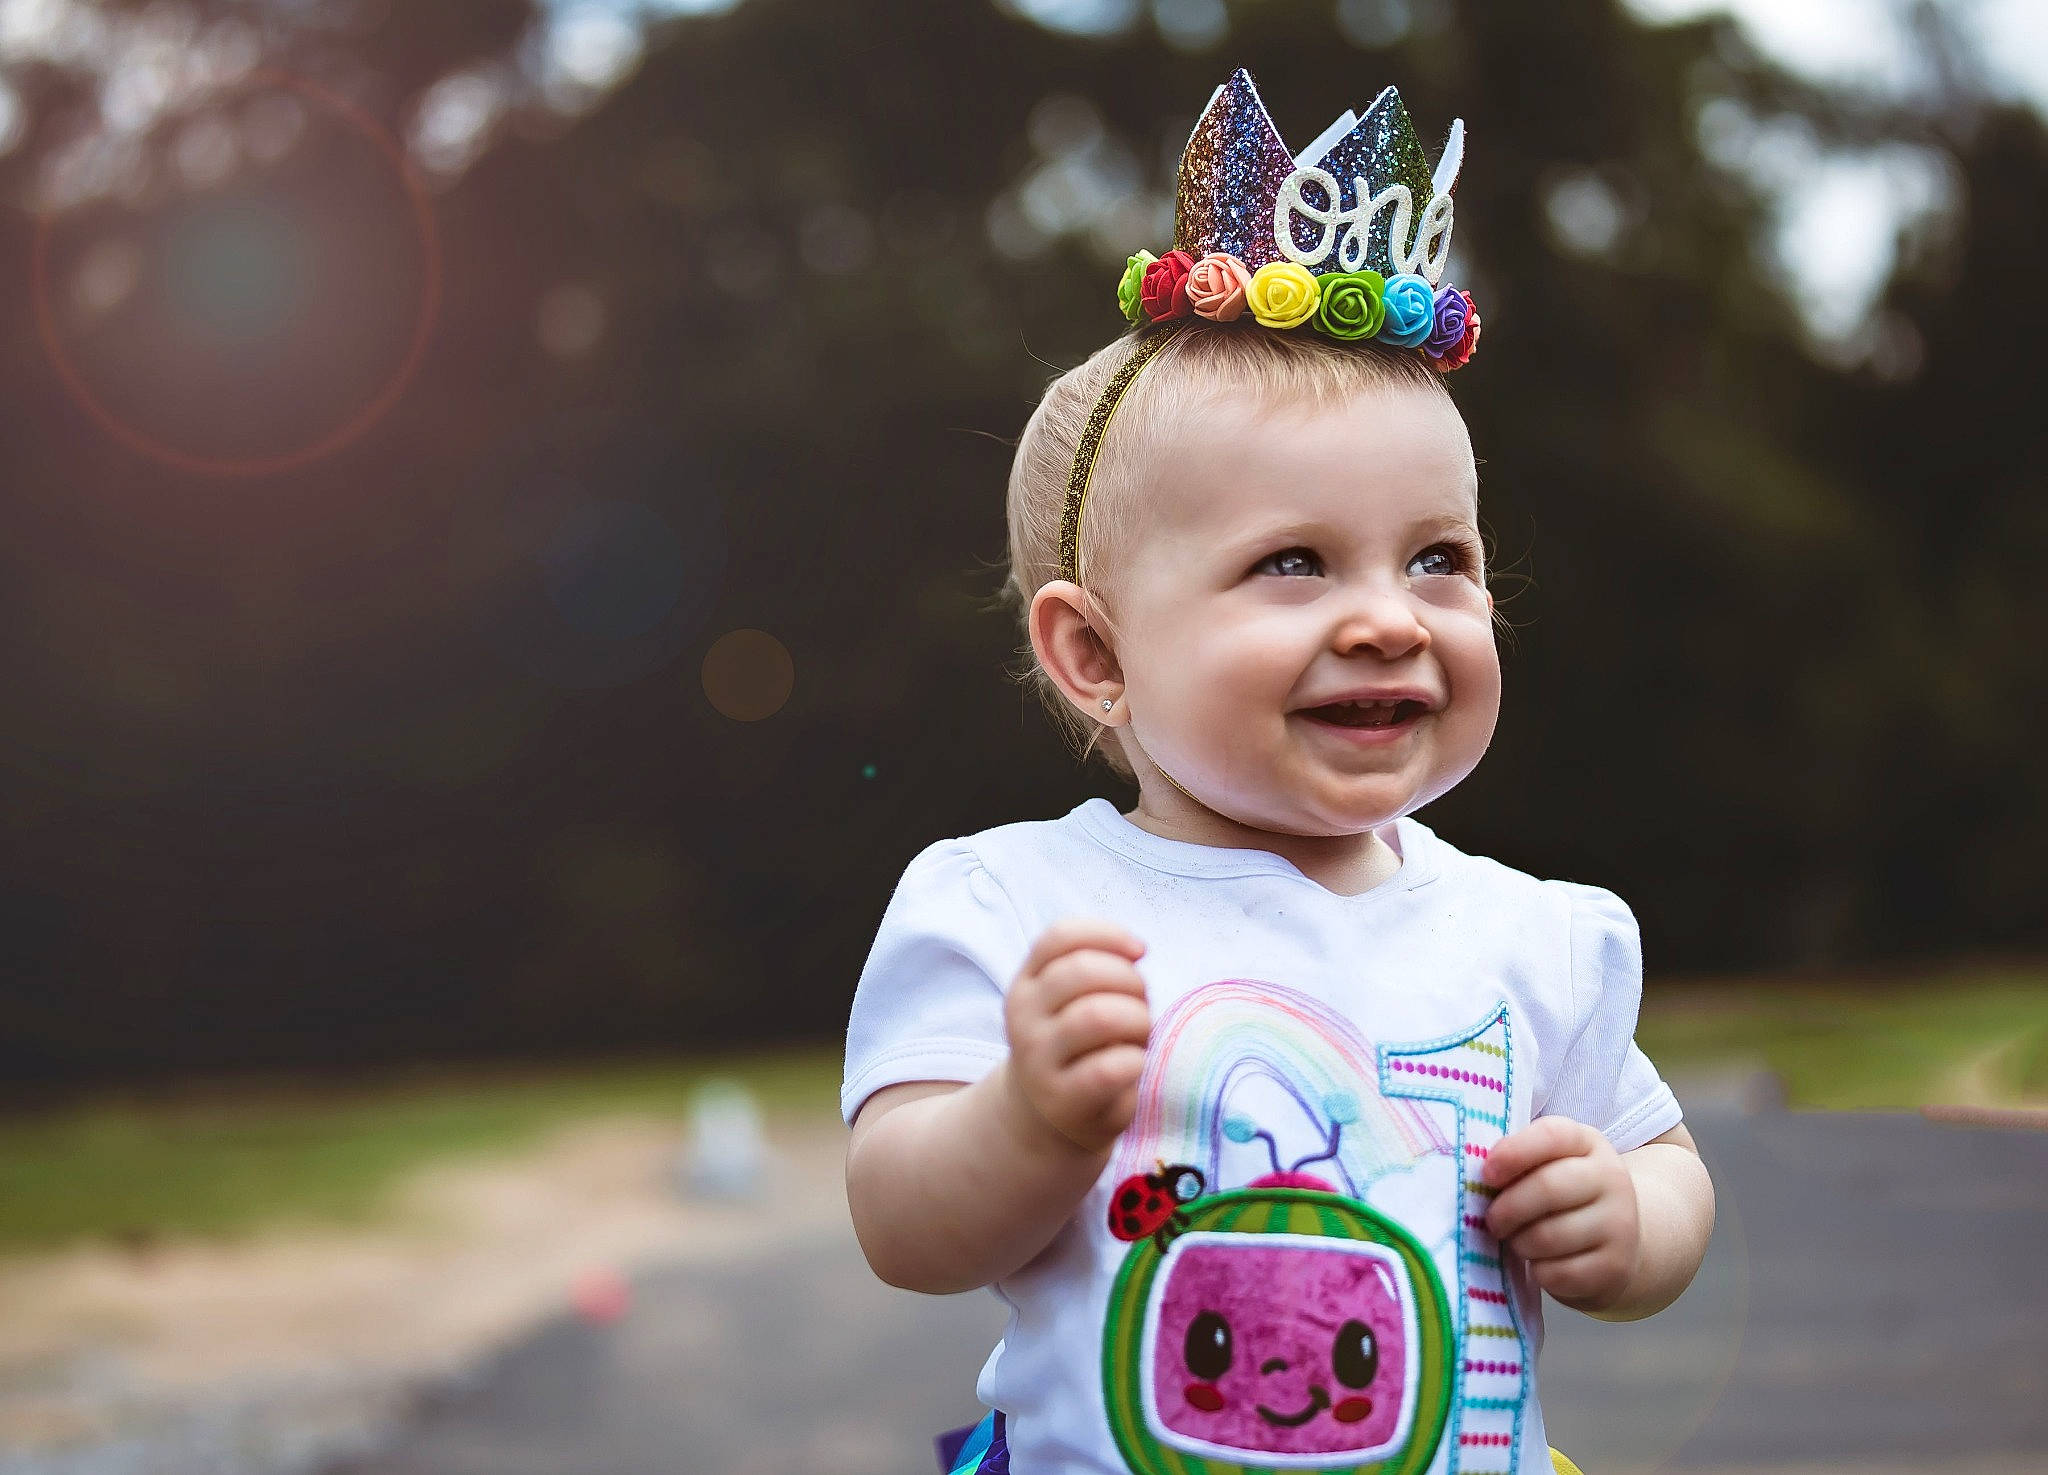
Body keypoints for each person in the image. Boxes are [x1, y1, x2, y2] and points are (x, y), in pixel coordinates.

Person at [842, 70, 1714, 1475]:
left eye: (1439, 557)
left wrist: (1631, 1221)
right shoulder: (1015, 905)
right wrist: (1025, 1121)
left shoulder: (1529, 934)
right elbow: (903, 1225)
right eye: (1292, 563)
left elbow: (1665, 1160)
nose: (1387, 614)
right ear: (1092, 653)